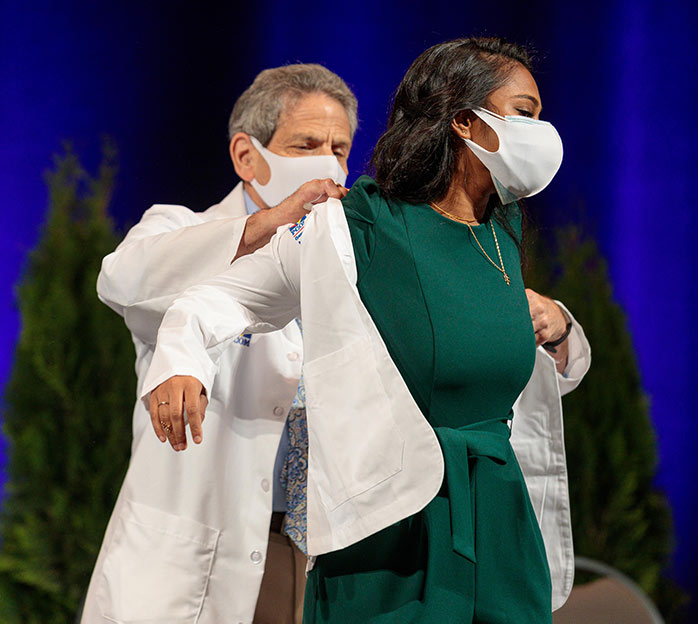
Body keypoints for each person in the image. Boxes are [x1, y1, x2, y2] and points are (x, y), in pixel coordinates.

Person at [142, 37, 591, 623]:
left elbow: (513, 367)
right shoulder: (360, 222)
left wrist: (560, 327)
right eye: (526, 113)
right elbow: (223, 296)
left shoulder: (500, 227)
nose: (542, 130)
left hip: (501, 522)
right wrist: (180, 358)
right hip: (396, 530)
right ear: (464, 123)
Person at [80, 64, 356, 624]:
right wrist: (267, 226)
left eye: (340, 147)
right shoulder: (179, 228)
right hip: (203, 552)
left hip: (322, 551)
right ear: (245, 155)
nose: (328, 161)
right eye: (306, 144)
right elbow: (122, 279)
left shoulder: (350, 261)